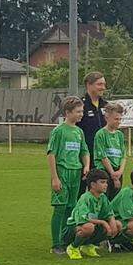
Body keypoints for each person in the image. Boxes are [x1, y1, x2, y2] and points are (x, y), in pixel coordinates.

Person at [47, 96, 89, 255]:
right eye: (78, 111)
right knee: (60, 208)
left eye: (82, 111)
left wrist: (86, 165)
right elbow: (51, 154)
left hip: (75, 173)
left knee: (72, 208)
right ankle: (56, 244)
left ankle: (65, 240)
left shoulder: (79, 132)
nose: (81, 114)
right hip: (63, 172)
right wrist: (55, 178)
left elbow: (84, 151)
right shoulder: (58, 131)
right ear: (67, 112)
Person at [64, 169, 120, 260]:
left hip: (92, 226)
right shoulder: (85, 198)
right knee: (89, 227)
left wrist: (113, 226)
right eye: (102, 182)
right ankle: (73, 247)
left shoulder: (103, 197)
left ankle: (88, 245)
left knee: (117, 225)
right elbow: (83, 218)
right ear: (93, 185)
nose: (106, 185)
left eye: (106, 182)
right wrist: (103, 223)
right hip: (73, 229)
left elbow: (109, 213)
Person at [92, 102, 126, 198]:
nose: (118, 121)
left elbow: (123, 155)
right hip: (105, 171)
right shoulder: (101, 134)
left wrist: (120, 171)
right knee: (104, 199)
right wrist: (112, 174)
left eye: (120, 119)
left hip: (117, 171)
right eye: (116, 119)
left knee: (116, 199)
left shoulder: (120, 135)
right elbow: (103, 156)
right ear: (107, 118)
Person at [78, 71, 109, 164]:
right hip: (87, 156)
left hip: (105, 156)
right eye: (99, 84)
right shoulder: (80, 105)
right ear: (88, 85)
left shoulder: (107, 106)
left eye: (104, 84)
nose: (103, 88)